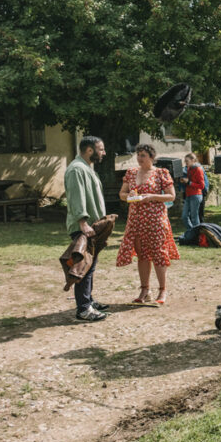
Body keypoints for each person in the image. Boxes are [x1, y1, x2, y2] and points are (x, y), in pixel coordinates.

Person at [115, 144, 180, 305]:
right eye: (138, 155)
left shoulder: (161, 173)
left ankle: (162, 290)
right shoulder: (131, 173)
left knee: (159, 253)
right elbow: (122, 194)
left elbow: (171, 196)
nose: (139, 158)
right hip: (136, 219)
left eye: (143, 155)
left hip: (156, 219)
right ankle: (145, 290)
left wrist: (152, 196)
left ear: (151, 157)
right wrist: (129, 195)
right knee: (142, 254)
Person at [64, 136, 111, 321]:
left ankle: (88, 301)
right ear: (90, 150)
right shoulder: (77, 169)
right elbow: (76, 198)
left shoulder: (86, 168)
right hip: (84, 227)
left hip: (92, 226)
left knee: (90, 265)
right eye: (101, 149)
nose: (104, 153)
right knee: (84, 267)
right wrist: (82, 223)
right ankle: (84, 309)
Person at [179, 153, 206, 243]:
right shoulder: (189, 169)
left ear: (193, 160)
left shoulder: (198, 169)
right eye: (185, 161)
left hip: (196, 195)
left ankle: (198, 237)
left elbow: (202, 186)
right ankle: (193, 234)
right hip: (188, 195)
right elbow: (189, 181)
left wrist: (189, 182)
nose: (185, 163)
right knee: (184, 216)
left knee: (194, 217)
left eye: (187, 161)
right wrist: (184, 181)